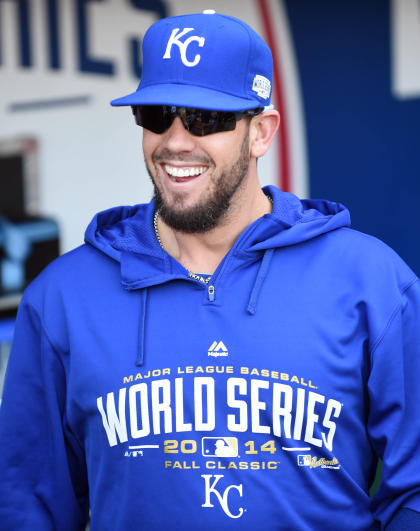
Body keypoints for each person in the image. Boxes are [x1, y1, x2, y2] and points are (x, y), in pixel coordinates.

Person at [0, 11, 419, 531]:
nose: (176, 141)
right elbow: (27, 507)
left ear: (260, 133)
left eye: (205, 118)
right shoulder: (63, 297)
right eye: (157, 115)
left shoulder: (371, 281)